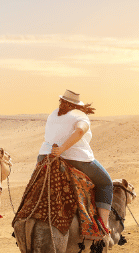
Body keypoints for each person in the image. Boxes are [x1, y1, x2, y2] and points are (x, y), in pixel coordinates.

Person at [38, 90, 114, 232]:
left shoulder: (54, 113)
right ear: (76, 105)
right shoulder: (80, 115)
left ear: (62, 102)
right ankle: (104, 225)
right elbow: (79, 131)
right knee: (106, 183)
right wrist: (61, 149)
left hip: (45, 156)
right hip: (75, 157)